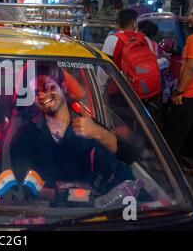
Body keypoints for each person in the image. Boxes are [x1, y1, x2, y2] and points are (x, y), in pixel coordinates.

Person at [9, 63, 134, 197]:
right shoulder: (26, 133)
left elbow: (127, 157)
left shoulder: (89, 127)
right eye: (36, 92)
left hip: (88, 211)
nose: (42, 95)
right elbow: (21, 185)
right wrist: (63, 195)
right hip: (42, 212)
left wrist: (98, 132)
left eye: (47, 87)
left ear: (63, 87)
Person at [163, 1, 193, 181]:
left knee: (174, 132)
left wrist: (179, 91)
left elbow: (190, 66)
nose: (190, 17)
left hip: (191, 92)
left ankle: (166, 168)